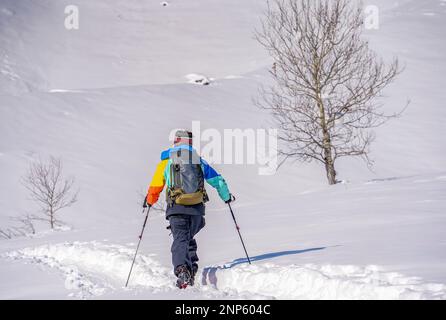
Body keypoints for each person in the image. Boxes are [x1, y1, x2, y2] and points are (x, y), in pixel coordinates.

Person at [144, 129, 232, 289]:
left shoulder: (167, 161)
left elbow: (156, 185)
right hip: (197, 210)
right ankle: (192, 269)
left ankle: (182, 270)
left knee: (180, 239)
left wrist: (149, 201)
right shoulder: (199, 161)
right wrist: (226, 197)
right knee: (186, 237)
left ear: (176, 141)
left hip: (176, 207)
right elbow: (217, 180)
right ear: (190, 143)